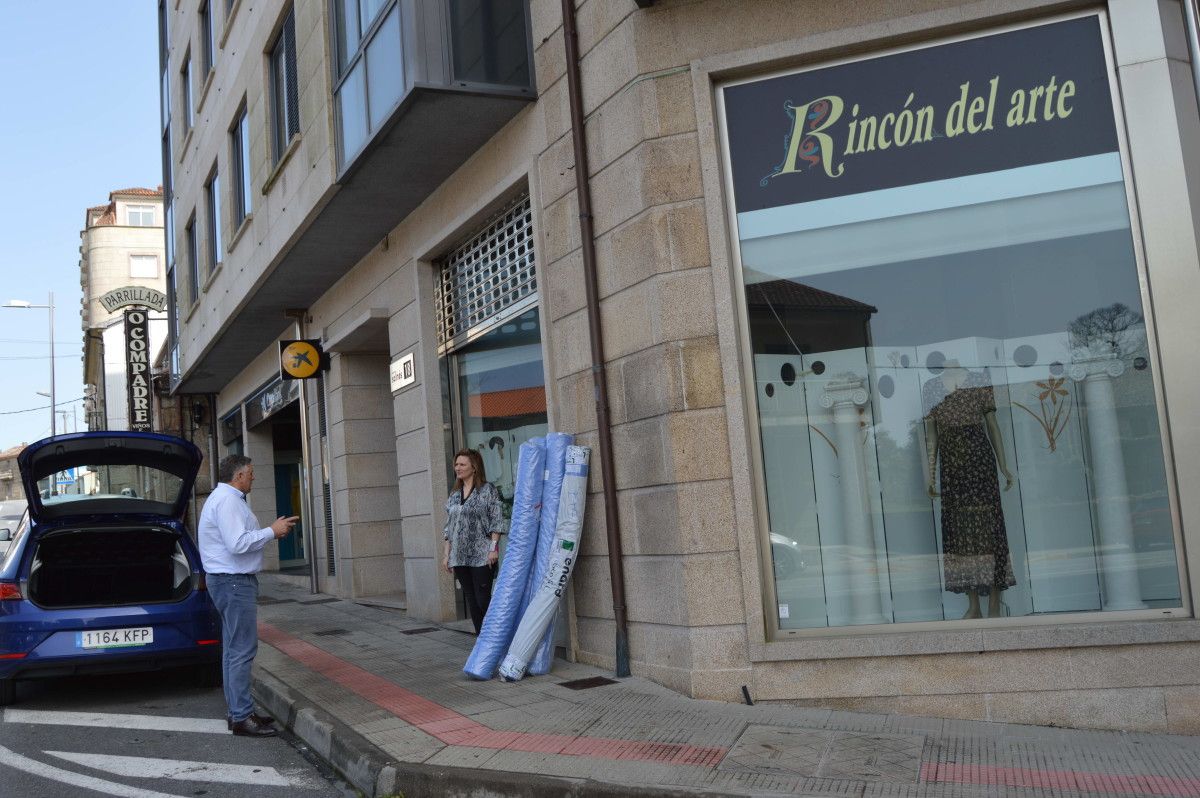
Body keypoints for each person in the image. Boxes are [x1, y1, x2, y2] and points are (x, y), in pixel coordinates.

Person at [198, 454, 298, 738]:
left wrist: (271, 532)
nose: (254, 477)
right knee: (242, 649)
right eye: (251, 473)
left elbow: (239, 538)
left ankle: (238, 712)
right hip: (233, 582)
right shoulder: (228, 501)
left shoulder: (222, 499)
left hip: (227, 581)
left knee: (233, 649)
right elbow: (237, 543)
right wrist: (271, 531)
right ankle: (241, 716)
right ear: (238, 476)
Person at [442, 449, 505, 634]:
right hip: (459, 556)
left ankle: (496, 638)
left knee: (483, 600)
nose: (457, 468)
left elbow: (496, 521)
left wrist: (493, 549)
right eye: (456, 464)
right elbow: (449, 528)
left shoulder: (487, 490)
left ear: (474, 467)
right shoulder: (454, 495)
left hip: (481, 555)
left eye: (462, 464)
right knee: (471, 601)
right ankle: (481, 641)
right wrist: (446, 555)